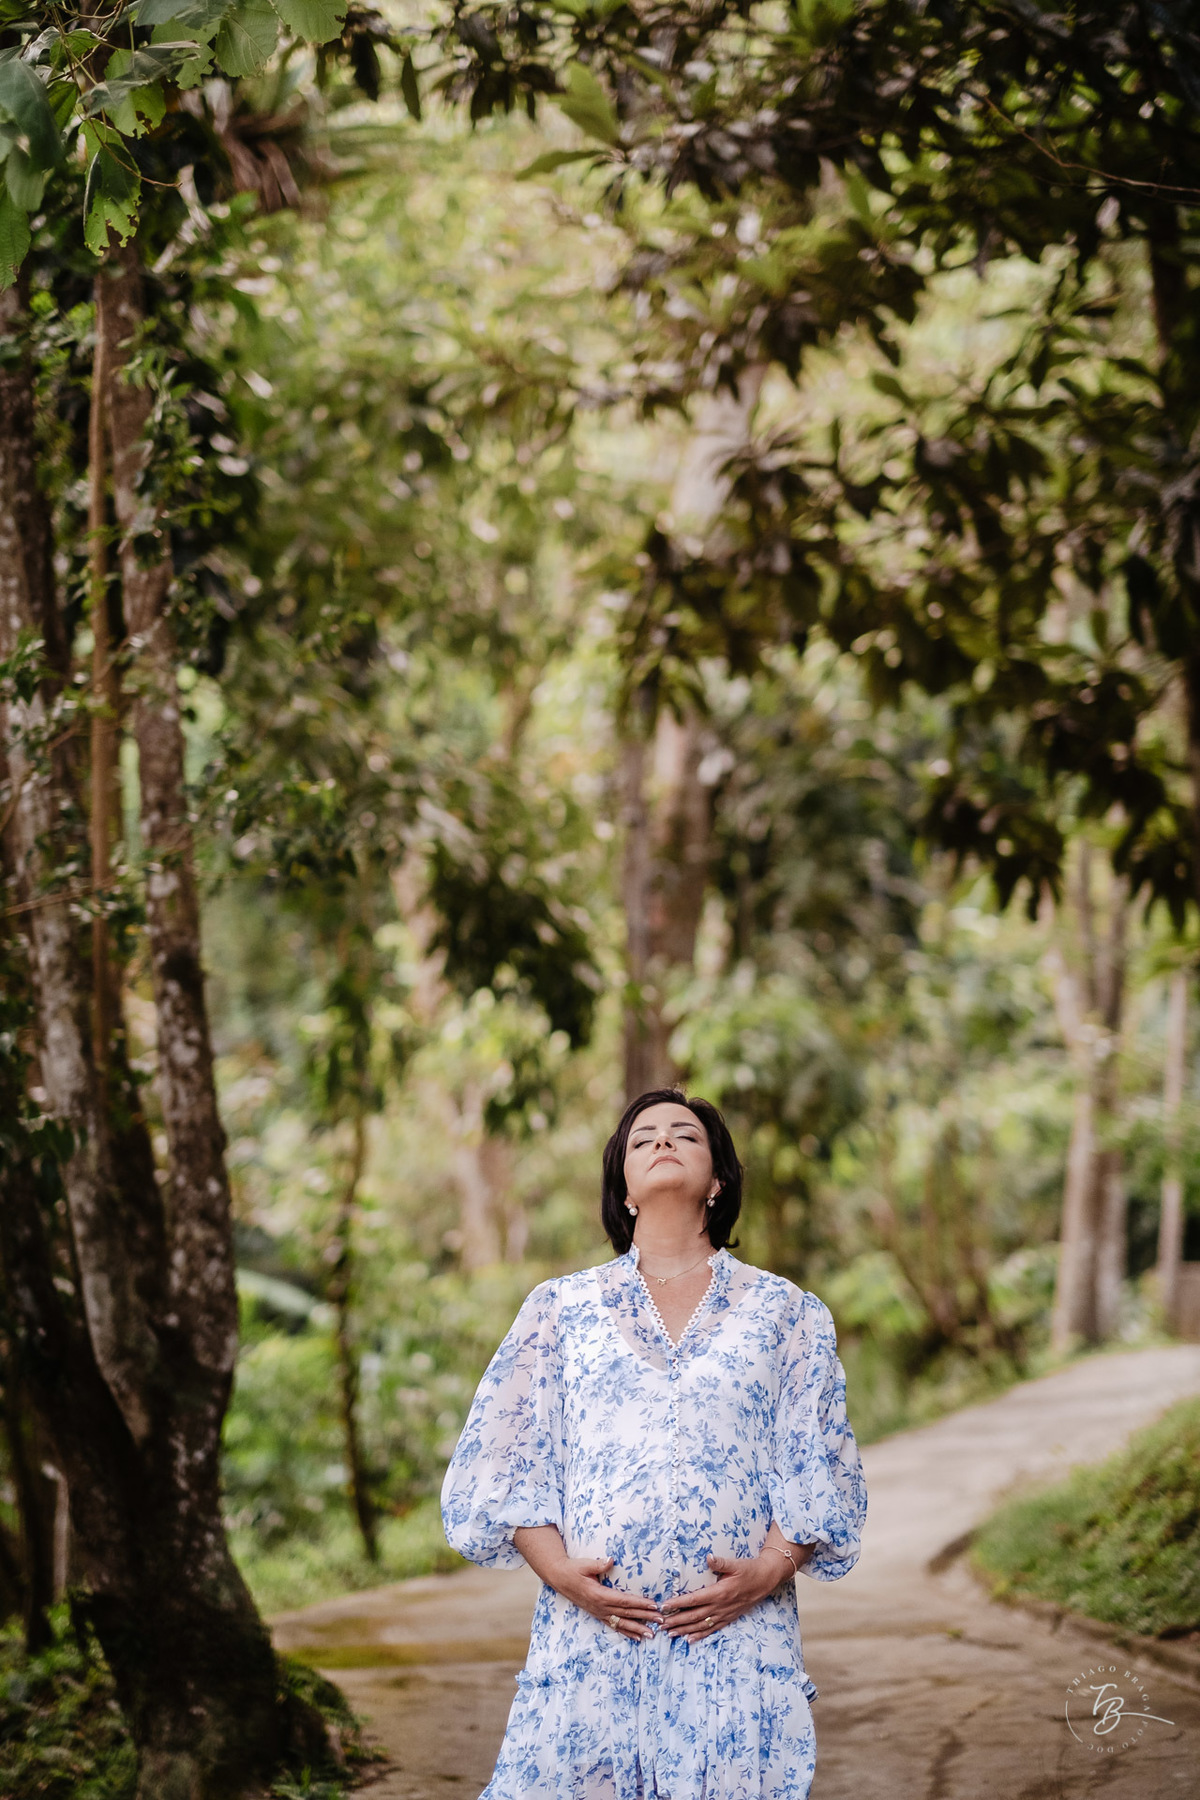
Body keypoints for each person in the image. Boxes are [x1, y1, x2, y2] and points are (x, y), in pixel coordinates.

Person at [441, 1088, 867, 1799]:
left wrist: (770, 1568)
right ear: (624, 1188)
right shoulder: (559, 1310)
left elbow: (817, 1463)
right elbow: (508, 1459)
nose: (664, 1142)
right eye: (643, 1140)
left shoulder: (788, 1314)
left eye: (685, 1136)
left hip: (735, 1641)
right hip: (590, 1641)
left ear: (718, 1181)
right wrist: (562, 1576)